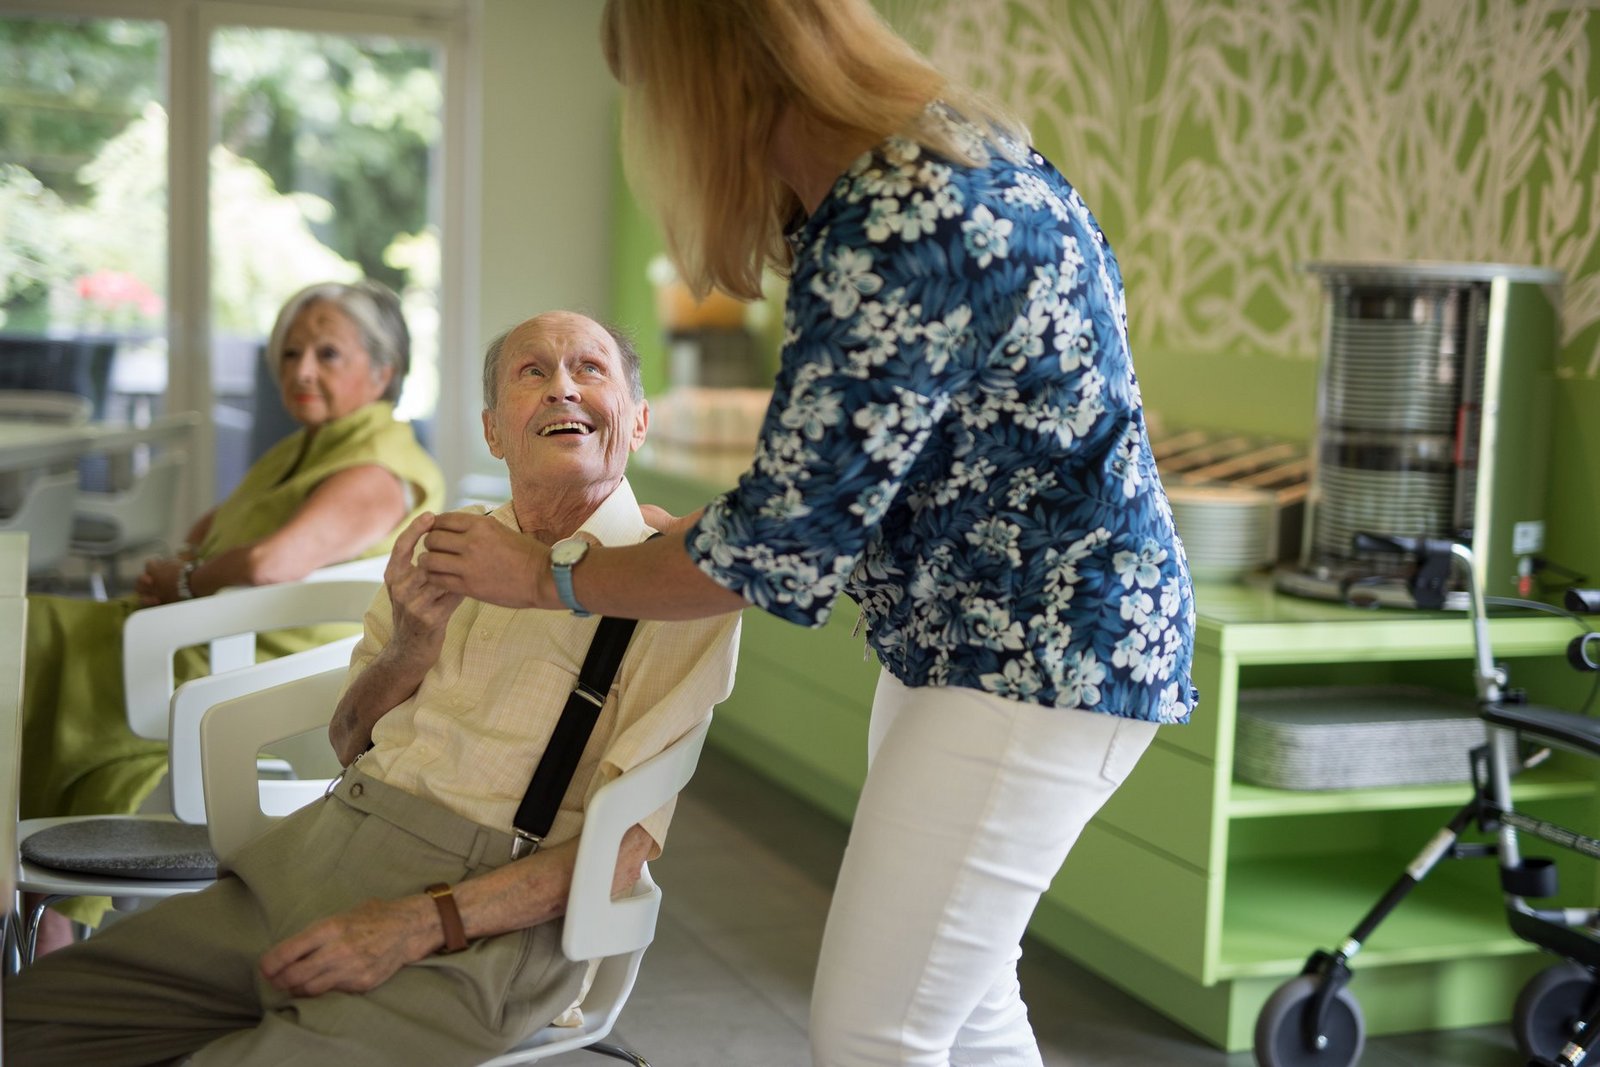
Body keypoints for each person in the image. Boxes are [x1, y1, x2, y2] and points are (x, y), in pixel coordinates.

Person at [416, 3, 1201, 1064]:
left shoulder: (894, 217)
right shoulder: (954, 160)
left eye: (648, 89)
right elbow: (860, 476)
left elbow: (776, 549)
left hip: (1037, 651)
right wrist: (705, 535)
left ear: (699, 80)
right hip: (983, 634)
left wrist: (554, 575)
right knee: (963, 1012)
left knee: (875, 1032)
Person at [3, 310, 742, 1067]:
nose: (561, 388)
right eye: (533, 372)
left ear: (639, 420)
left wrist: (420, 922)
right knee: (27, 1019)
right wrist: (411, 648)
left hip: (478, 925)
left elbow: (619, 855)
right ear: (492, 431)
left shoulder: (676, 585)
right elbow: (347, 740)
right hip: (314, 856)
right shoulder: (446, 546)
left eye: (590, 369)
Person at [20, 278, 445, 945]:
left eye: (327, 354)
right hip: (208, 641)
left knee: (24, 629)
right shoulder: (307, 445)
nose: (301, 369)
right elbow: (209, 529)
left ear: (383, 370)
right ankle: (44, 924)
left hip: (249, 666)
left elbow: (265, 562)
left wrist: (187, 581)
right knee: (25, 627)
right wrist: (187, 568)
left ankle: (40, 923)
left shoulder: (377, 466)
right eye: (289, 353)